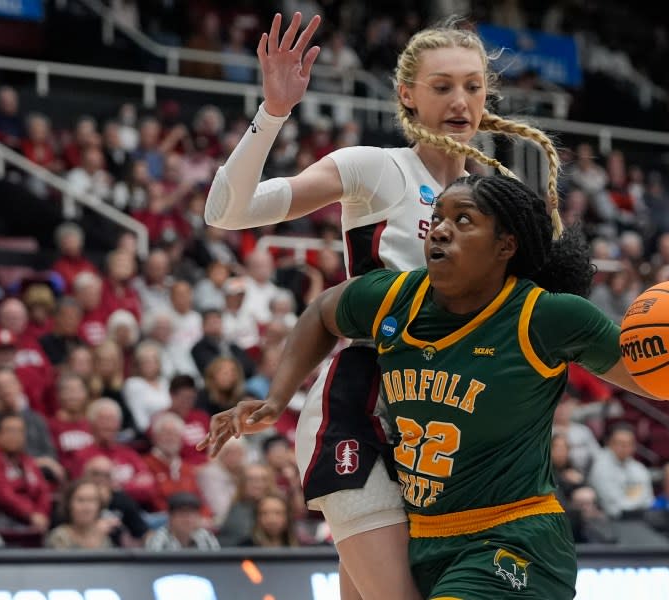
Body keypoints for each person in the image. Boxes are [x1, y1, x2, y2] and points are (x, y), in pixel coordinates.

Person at [203, 173, 669, 599]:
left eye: (463, 221)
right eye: (437, 217)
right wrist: (278, 396)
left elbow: (647, 378)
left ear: (506, 245)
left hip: (513, 536)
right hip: (423, 535)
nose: (439, 228)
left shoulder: (547, 316)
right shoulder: (395, 298)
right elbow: (324, 311)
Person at [204, 12, 567, 599]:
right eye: (442, 86)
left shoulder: (496, 204)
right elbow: (226, 211)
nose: (461, 100)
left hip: (439, 421)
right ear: (407, 95)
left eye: (473, 86)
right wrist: (273, 112)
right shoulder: (377, 169)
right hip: (362, 402)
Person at [45, 478, 114, 549]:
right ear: (69, 504)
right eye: (80, 500)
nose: (86, 507)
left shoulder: (105, 539)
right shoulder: (59, 537)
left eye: (92, 500)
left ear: (100, 505)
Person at [144, 491, 220, 551]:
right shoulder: (159, 539)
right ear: (170, 517)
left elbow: (216, 565)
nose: (188, 519)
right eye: (182, 514)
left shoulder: (206, 536)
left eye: (192, 514)